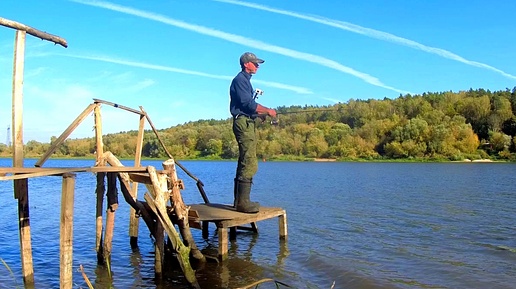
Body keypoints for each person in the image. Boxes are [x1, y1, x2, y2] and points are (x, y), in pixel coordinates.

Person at [229, 52, 276, 213]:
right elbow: (247, 104)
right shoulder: (240, 80)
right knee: (249, 161)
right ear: (246, 64)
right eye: (255, 63)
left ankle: (239, 201)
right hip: (243, 123)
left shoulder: (244, 81)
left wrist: (259, 115)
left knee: (244, 159)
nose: (257, 66)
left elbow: (247, 107)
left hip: (246, 121)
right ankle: (243, 203)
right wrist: (267, 111)